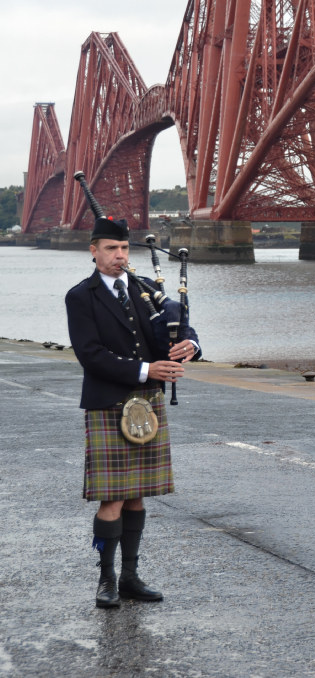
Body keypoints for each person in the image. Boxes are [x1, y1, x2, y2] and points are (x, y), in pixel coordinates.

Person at [65, 216, 201, 608]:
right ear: (93, 251)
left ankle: (130, 577)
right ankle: (105, 579)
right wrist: (146, 370)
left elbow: (179, 327)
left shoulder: (144, 290)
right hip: (109, 401)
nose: (119, 256)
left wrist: (190, 346)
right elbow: (90, 355)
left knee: (139, 496)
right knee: (112, 498)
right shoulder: (82, 296)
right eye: (110, 249)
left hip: (149, 402)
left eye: (124, 249)